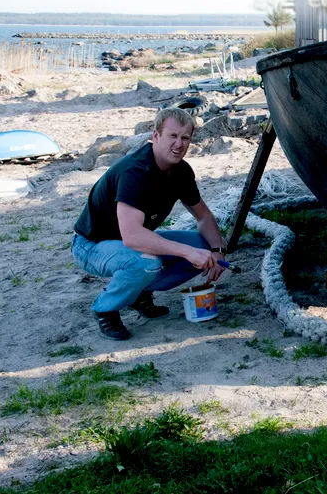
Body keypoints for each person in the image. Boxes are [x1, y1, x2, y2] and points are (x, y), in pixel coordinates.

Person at [71, 107, 227, 341]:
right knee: (146, 263)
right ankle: (105, 308)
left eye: (185, 138)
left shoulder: (181, 171)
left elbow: (203, 216)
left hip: (131, 240)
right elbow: (132, 237)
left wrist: (217, 251)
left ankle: (139, 292)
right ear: (155, 136)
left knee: (203, 244)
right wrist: (188, 253)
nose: (179, 144)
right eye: (172, 136)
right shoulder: (135, 172)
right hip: (92, 245)